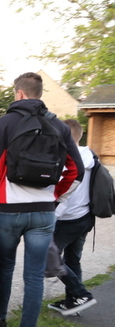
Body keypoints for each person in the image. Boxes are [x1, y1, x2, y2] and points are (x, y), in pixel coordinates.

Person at [0, 72, 84, 327]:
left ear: (19, 93)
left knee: (6, 266)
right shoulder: (59, 127)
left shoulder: (5, 123)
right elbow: (77, 171)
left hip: (9, 212)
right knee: (34, 277)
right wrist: (54, 196)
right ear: (38, 93)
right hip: (43, 214)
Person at [48, 119, 98, 315]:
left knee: (50, 256)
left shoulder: (67, 162)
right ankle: (74, 302)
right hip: (86, 216)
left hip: (68, 220)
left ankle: (81, 294)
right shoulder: (90, 155)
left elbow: (65, 196)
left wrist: (49, 219)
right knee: (72, 260)